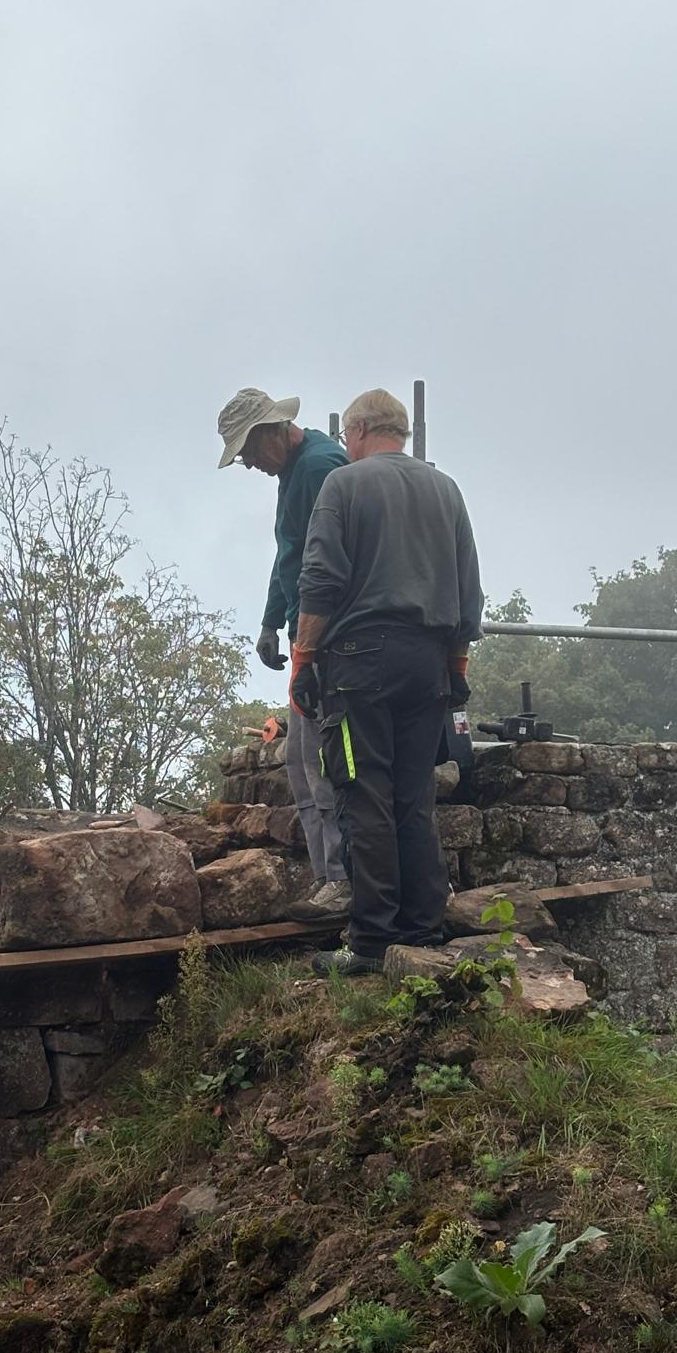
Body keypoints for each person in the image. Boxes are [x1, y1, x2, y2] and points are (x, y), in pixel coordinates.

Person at [291, 389, 483, 974]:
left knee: (362, 792)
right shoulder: (446, 489)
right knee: (413, 795)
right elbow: (469, 590)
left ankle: (371, 943)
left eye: (346, 437)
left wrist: (304, 658)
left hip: (360, 666)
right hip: (428, 665)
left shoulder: (343, 485)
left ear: (358, 430)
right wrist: (455, 667)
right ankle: (422, 932)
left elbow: (321, 578)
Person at [217, 387, 350, 916]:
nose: (249, 464)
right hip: (304, 636)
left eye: (248, 451)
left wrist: (312, 648)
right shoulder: (292, 472)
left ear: (272, 431)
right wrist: (272, 621)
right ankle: (326, 878)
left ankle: (342, 881)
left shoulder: (319, 467)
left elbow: (329, 563)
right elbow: (289, 555)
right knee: (299, 761)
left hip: (328, 638)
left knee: (322, 763)